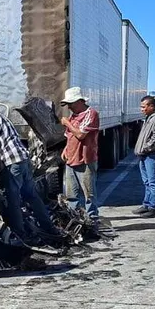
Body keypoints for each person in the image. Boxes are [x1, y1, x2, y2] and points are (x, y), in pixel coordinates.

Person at [0, 98, 59, 243]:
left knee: (13, 201)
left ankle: (20, 235)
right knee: (32, 196)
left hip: (12, 162)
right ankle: (49, 228)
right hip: (23, 158)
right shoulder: (0, 116)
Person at [59, 87, 100, 225]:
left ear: (79, 101)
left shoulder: (91, 113)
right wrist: (66, 149)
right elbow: (69, 136)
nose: (69, 107)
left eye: (71, 103)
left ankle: (92, 220)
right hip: (71, 158)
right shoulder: (73, 116)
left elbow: (81, 134)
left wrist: (67, 123)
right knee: (71, 194)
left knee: (89, 194)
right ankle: (75, 220)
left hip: (85, 159)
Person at [133, 96, 155, 218]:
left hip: (151, 155)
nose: (142, 109)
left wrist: (145, 148)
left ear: (152, 106)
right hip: (144, 155)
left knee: (152, 182)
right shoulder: (149, 118)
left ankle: (152, 208)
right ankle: (146, 205)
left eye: (144, 107)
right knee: (146, 182)